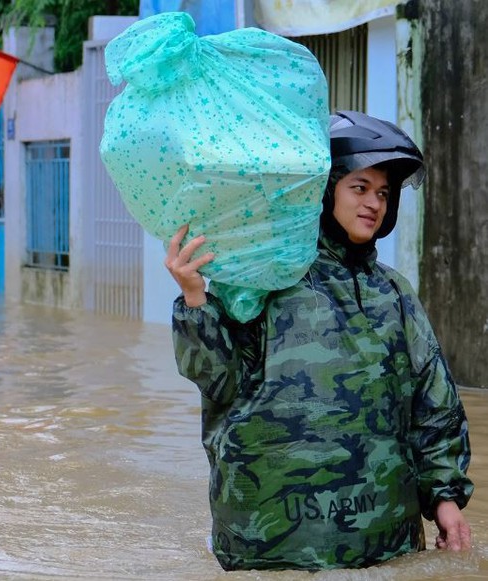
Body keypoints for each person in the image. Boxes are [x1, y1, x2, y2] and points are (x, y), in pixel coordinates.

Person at [166, 111, 473, 570]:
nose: (375, 203)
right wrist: (195, 301)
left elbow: (434, 406)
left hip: (384, 547)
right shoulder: (265, 281)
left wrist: (445, 501)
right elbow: (218, 381)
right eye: (360, 187)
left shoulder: (394, 294)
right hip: (271, 548)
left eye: (384, 193)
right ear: (324, 191)